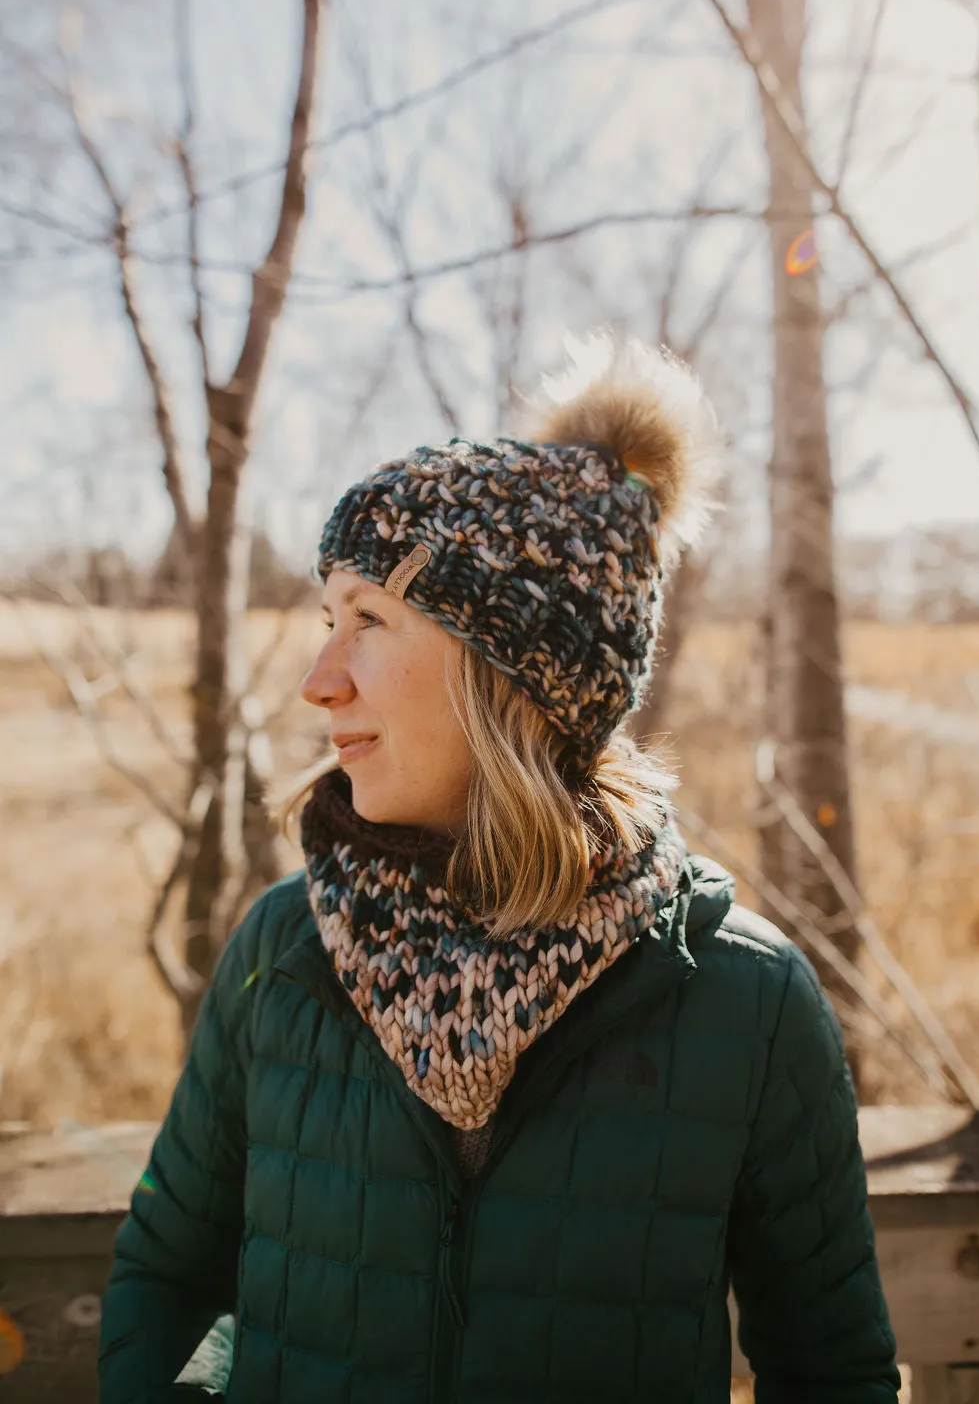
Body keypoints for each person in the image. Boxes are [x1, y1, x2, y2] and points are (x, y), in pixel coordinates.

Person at [98, 332, 900, 1402]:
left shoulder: (745, 1002)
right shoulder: (281, 950)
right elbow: (166, 1275)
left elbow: (832, 1371)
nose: (318, 680)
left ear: (511, 673)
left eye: (369, 621)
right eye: (326, 621)